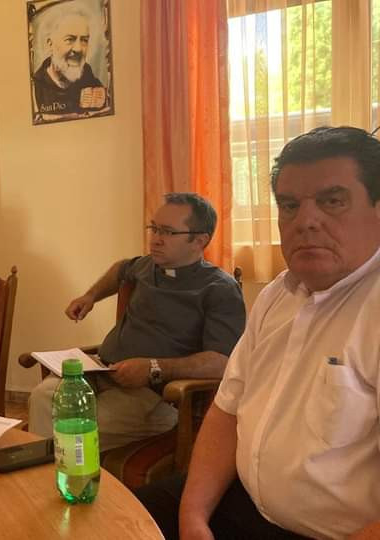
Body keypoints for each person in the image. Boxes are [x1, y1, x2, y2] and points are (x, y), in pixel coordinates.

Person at [136, 126, 380, 540]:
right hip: (243, 503)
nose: (306, 222)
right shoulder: (276, 296)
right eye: (289, 205)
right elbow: (227, 410)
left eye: (333, 201)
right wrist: (192, 516)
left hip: (332, 533)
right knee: (118, 519)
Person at [28, 193, 246, 452]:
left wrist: (154, 368)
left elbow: (222, 362)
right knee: (43, 397)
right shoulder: (146, 266)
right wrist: (90, 296)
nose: (155, 239)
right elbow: (120, 270)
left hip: (154, 396)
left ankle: (58, 468)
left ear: (200, 240)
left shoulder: (219, 289)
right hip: (100, 372)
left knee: (84, 425)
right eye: (154, 228)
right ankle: (45, 469)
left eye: (167, 232)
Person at [33, 6, 108, 116]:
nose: (78, 48)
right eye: (70, 39)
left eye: (84, 40)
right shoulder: (36, 86)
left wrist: (102, 99)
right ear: (50, 44)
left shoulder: (87, 75)